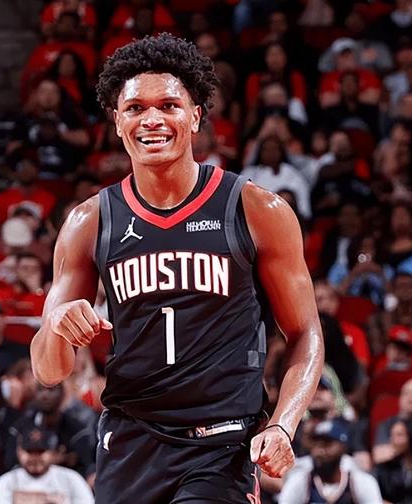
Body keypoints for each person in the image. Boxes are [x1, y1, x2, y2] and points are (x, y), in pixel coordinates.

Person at [30, 34, 324, 503]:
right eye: (135, 108)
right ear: (117, 121)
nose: (152, 119)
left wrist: (283, 425)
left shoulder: (256, 209)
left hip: (222, 444)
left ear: (196, 116)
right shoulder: (90, 222)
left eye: (168, 105)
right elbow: (49, 371)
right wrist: (56, 325)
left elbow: (305, 333)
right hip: (130, 443)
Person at [278, 419, 383, 503]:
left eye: (327, 444)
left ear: (343, 447)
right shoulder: (301, 480)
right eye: (317, 444)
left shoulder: (359, 481)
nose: (321, 450)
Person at [0, 426, 94, 504]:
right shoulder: (7, 481)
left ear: (52, 452)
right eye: (29, 451)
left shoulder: (71, 478)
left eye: (40, 451)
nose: (35, 458)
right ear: (19, 452)